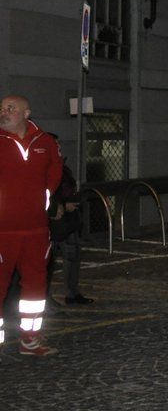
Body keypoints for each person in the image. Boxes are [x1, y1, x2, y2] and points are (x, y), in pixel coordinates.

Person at [0, 95, 64, 355]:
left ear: (27, 113)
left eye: (10, 108)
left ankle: (30, 340)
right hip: (2, 230)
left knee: (36, 288)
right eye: (1, 108)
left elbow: (55, 173)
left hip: (36, 229)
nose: (4, 112)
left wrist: (44, 199)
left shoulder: (46, 142)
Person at [47, 140, 91, 306]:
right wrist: (63, 206)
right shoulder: (47, 167)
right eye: (55, 145)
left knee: (73, 257)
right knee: (50, 262)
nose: (58, 148)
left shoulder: (62, 167)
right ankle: (48, 298)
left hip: (69, 220)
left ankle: (72, 293)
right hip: (56, 221)